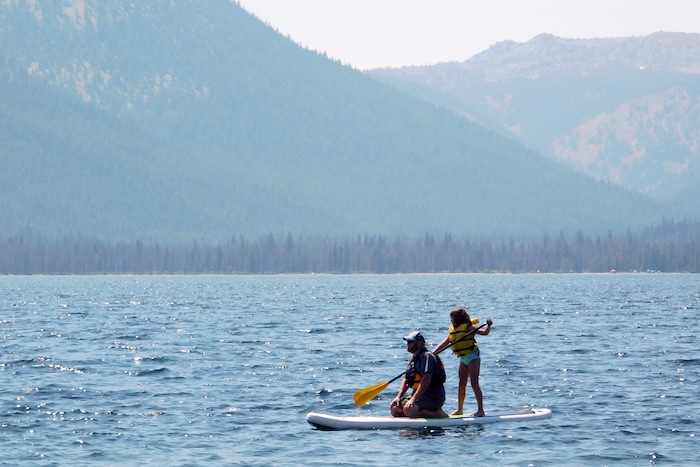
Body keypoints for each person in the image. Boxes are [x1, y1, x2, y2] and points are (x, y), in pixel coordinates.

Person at [433, 307, 493, 416]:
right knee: (461, 384)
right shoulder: (453, 330)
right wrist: (433, 353)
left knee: (474, 383)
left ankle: (481, 410)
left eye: (452, 318)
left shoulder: (469, 327)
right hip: (463, 358)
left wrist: (488, 325)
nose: (451, 320)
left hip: (473, 356)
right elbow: (444, 343)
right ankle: (460, 409)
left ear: (458, 319)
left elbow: (485, 333)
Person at [390, 331, 448, 418]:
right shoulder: (412, 358)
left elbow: (426, 380)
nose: (408, 344)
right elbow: (406, 379)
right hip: (418, 397)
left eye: (410, 342)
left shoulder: (427, 356)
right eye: (407, 342)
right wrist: (398, 397)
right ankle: (418, 411)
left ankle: (437, 413)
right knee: (394, 409)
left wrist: (412, 400)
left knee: (410, 411)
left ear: (420, 344)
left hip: (433, 397)